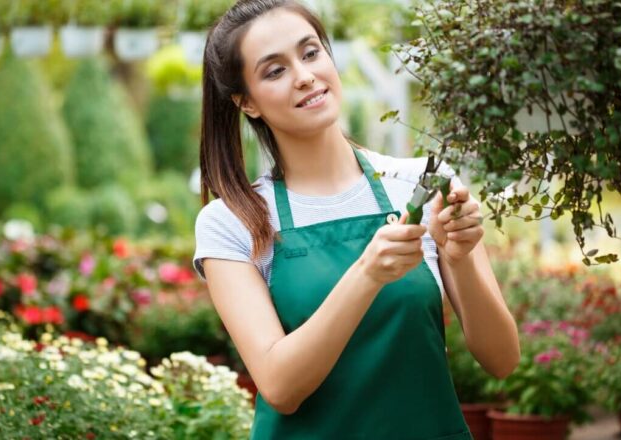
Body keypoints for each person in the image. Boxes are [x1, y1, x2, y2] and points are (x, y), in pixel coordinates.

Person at [193, 1, 520, 438]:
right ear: (246, 102)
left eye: (310, 53)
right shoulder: (232, 220)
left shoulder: (421, 184)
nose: (305, 75)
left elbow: (501, 360)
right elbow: (280, 385)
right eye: (275, 71)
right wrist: (367, 273)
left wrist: (459, 257)